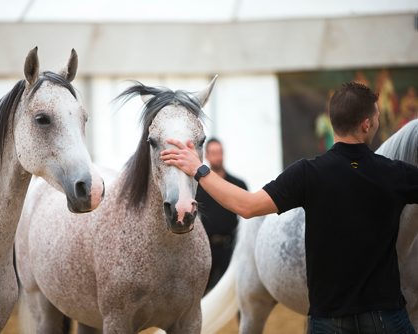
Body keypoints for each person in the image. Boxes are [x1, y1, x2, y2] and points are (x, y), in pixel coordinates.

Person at [161, 82, 418, 334]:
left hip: (328, 319)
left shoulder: (307, 173)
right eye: (376, 117)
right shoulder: (394, 174)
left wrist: (198, 169)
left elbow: (246, 206)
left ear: (332, 122)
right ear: (367, 124)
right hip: (385, 315)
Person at [196, 138, 247, 293]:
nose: (218, 156)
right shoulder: (197, 187)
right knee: (202, 294)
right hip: (205, 250)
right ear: (207, 155)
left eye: (220, 152)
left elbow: (246, 218)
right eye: (214, 153)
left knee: (235, 294)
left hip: (230, 249)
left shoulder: (238, 184)